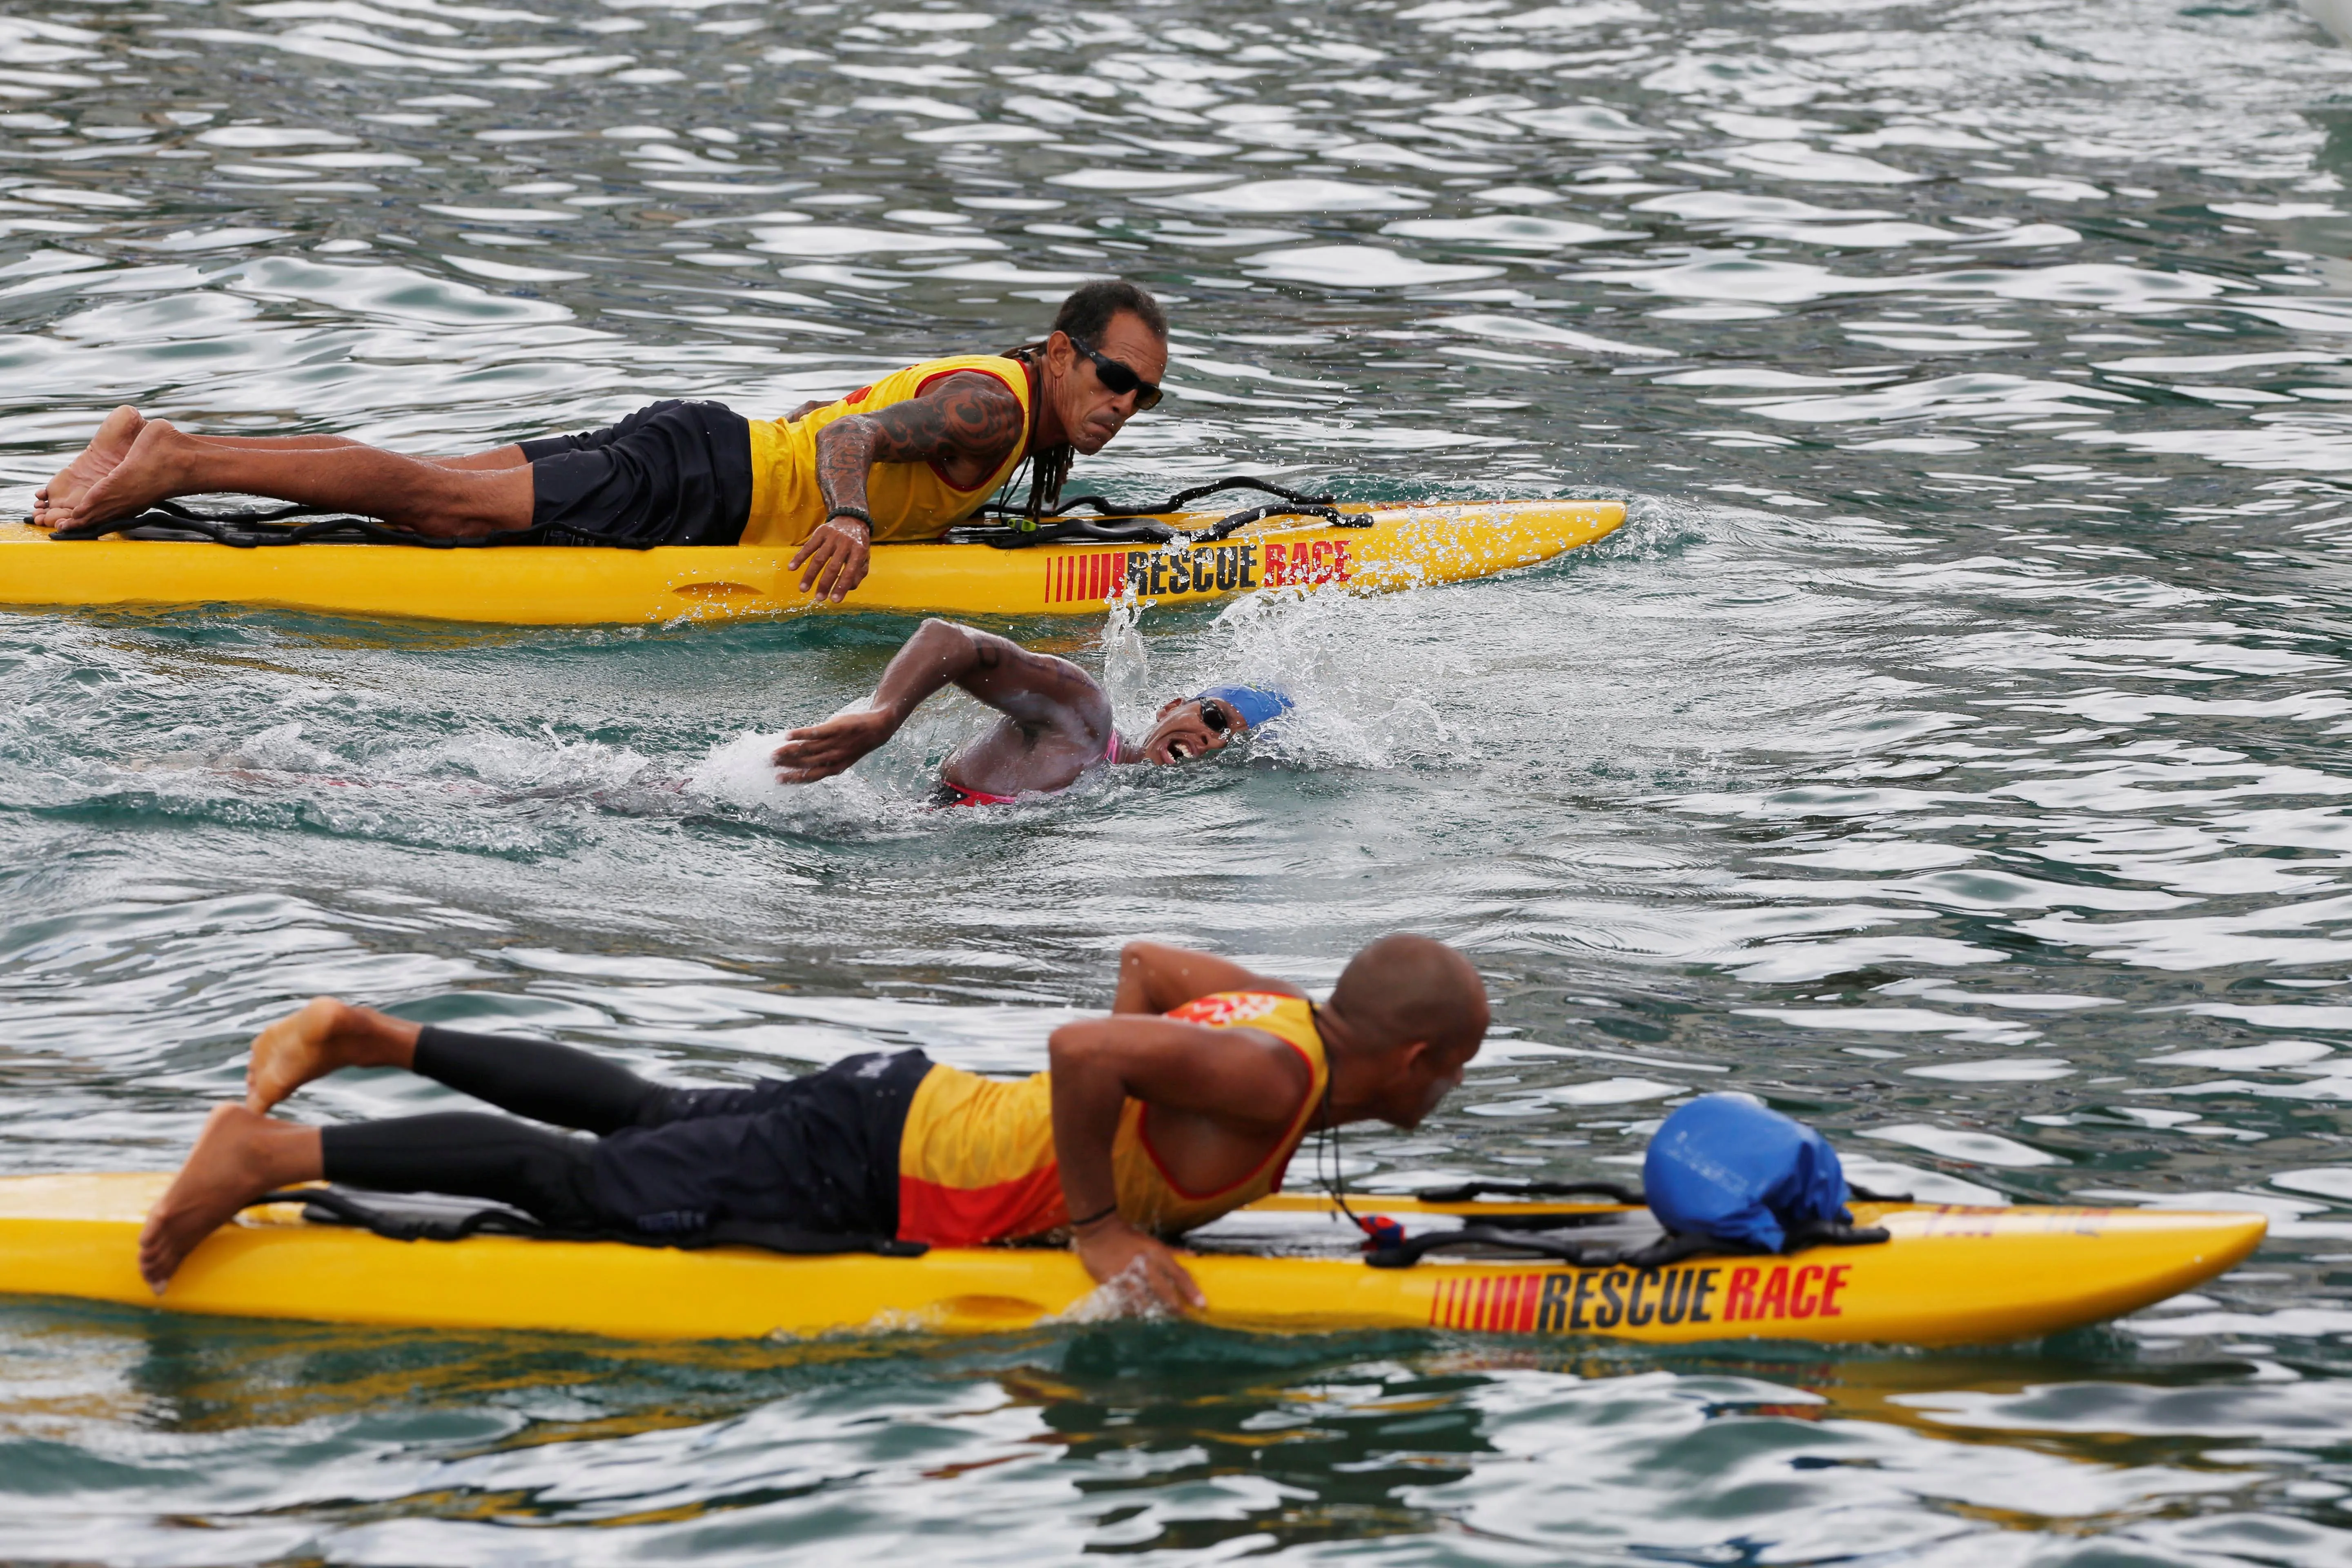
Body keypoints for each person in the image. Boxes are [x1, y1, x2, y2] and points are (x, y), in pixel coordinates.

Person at [135, 935, 1489, 1310]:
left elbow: (1142, 969)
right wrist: (1090, 1221)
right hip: (876, 1171)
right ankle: (267, 1154)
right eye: (1459, 1074)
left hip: (906, 1106)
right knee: (592, 1185)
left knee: (649, 1116)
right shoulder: (1274, 1080)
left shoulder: (1273, 1016)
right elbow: (1086, 1046)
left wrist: (1112, 1171)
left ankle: (370, 1036)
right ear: (1417, 1059)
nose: (1452, 1096)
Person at [29, 279, 1171, 603]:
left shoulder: (1012, 402)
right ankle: (177, 464)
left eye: (1147, 396)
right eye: (1115, 376)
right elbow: (858, 440)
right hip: (704, 485)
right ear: (1064, 353)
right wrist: (851, 515)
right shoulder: (1002, 407)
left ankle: (162, 439)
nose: (1124, 401)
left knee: (436, 488)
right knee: (439, 503)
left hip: (701, 447)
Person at [769, 617, 1292, 806]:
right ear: (1174, 706)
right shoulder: (1086, 718)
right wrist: (884, 717)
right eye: (1217, 720)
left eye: (1231, 744)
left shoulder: (1114, 783)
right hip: (798, 802)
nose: (1215, 741)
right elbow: (949, 639)